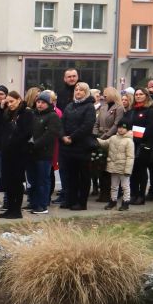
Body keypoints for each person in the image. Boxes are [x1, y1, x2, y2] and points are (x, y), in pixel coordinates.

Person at [58, 82, 97, 211]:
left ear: (86, 92)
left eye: (81, 90)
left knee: (83, 176)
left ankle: (82, 202)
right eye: (76, 89)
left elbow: (86, 126)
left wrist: (72, 137)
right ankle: (71, 200)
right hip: (68, 147)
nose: (78, 92)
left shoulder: (89, 107)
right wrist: (63, 136)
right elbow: (62, 123)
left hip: (81, 146)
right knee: (71, 175)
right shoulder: (70, 106)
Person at [0, 90, 33, 219]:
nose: (10, 104)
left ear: (19, 99)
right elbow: (0, 128)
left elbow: (26, 132)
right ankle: (10, 208)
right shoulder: (8, 113)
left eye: (12, 101)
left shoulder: (26, 113)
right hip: (7, 152)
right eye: (8, 102)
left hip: (19, 152)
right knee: (8, 181)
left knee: (17, 181)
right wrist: (1, 108)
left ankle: (16, 210)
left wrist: (13, 142)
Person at [120, 88, 153, 205]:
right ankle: (133, 194)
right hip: (131, 144)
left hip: (144, 144)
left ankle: (141, 196)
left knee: (141, 170)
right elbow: (126, 123)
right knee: (133, 170)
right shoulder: (132, 110)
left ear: (146, 96)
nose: (138, 96)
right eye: (136, 94)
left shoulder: (150, 111)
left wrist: (135, 134)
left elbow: (150, 129)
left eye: (141, 94)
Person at [27, 92, 61, 215]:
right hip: (31, 153)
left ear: (48, 104)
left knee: (43, 180)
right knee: (32, 180)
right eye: (38, 102)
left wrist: (35, 144)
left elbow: (50, 135)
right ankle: (33, 202)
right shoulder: (33, 115)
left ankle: (42, 205)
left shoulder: (52, 116)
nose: (40, 105)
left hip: (44, 154)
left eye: (43, 102)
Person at [98, 122, 135, 211]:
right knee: (114, 186)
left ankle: (126, 202)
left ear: (128, 129)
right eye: (119, 127)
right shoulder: (113, 138)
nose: (121, 129)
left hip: (123, 168)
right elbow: (104, 143)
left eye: (123, 128)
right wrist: (95, 139)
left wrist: (128, 170)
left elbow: (130, 157)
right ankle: (113, 201)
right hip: (113, 167)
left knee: (125, 186)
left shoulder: (129, 141)